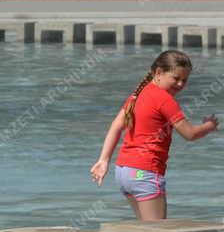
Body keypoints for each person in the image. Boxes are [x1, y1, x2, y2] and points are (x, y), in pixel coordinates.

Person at [89, 50, 218, 220]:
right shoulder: (164, 99)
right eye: (176, 78)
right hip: (144, 174)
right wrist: (210, 125)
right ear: (158, 73)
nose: (180, 84)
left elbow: (116, 126)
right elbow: (190, 134)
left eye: (184, 80)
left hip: (124, 172)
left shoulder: (138, 94)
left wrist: (104, 159)